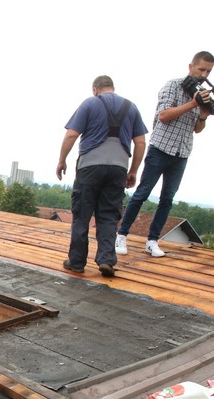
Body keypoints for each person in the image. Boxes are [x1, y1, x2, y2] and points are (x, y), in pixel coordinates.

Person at [115, 51, 214, 258]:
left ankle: (152, 241)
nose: (204, 75)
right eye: (201, 69)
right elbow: (163, 115)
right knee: (142, 193)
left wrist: (203, 116)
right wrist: (193, 104)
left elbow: (197, 129)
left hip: (182, 152)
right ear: (191, 67)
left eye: (208, 71)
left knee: (167, 199)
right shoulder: (173, 86)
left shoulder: (202, 93)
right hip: (160, 148)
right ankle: (121, 235)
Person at [56, 75, 147, 277]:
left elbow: (72, 134)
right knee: (108, 216)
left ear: (95, 90)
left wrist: (62, 160)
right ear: (112, 88)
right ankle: (106, 260)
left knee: (82, 214)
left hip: (90, 167)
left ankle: (77, 262)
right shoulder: (131, 107)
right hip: (118, 169)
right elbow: (140, 142)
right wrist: (133, 171)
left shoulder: (90, 103)